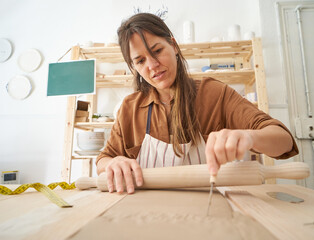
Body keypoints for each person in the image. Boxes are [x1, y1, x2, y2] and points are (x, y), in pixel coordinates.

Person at [96, 13, 298, 194]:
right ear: (134, 68)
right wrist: (114, 162)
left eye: (157, 51)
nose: (152, 65)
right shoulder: (129, 109)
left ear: (173, 46)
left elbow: (284, 141)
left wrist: (249, 137)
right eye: (140, 61)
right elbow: (103, 161)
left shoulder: (214, 94)